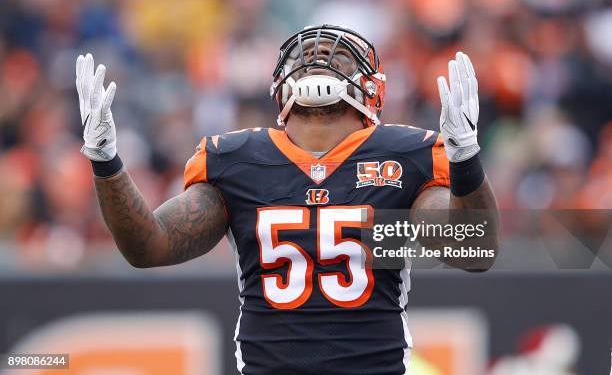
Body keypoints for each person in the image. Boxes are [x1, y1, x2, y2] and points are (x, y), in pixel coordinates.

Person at [76, 24, 498, 375]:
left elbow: (474, 249)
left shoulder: (403, 155)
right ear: (280, 86)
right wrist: (106, 162)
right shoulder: (237, 160)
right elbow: (150, 246)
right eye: (306, 55)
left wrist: (465, 160)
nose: (319, 60)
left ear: (372, 88)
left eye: (338, 58)